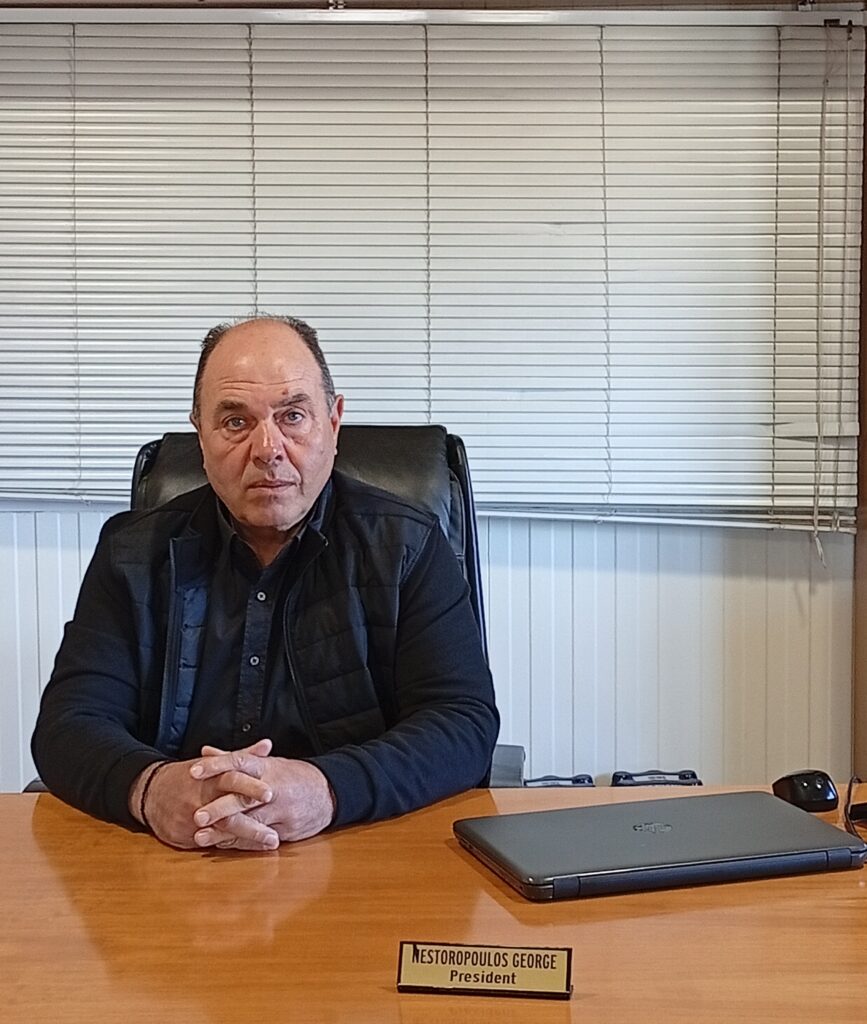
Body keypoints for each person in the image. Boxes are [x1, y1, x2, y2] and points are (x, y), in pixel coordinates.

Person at [31, 315, 499, 852]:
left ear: (333, 423)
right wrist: (150, 788)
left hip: (355, 847)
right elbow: (69, 724)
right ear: (200, 433)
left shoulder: (409, 545)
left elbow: (462, 722)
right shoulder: (131, 552)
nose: (268, 448)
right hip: (175, 856)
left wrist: (328, 789)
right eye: (235, 422)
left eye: (293, 416)